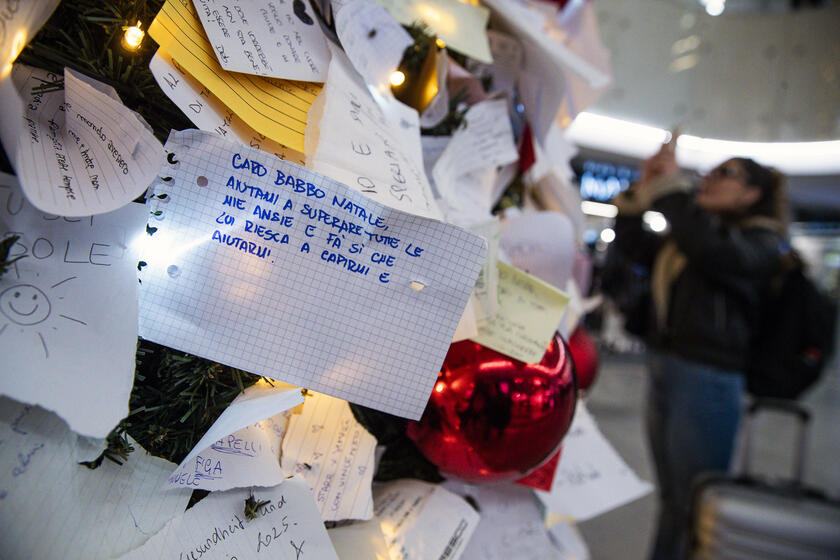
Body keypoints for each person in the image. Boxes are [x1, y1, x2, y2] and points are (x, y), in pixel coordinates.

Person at [607, 142, 789, 559]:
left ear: (752, 193)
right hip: (667, 365)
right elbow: (635, 246)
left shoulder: (761, 241)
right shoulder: (692, 236)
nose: (708, 178)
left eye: (726, 173)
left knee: (696, 499)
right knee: (673, 497)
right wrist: (643, 189)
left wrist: (671, 185)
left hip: (708, 376)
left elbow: (711, 249)